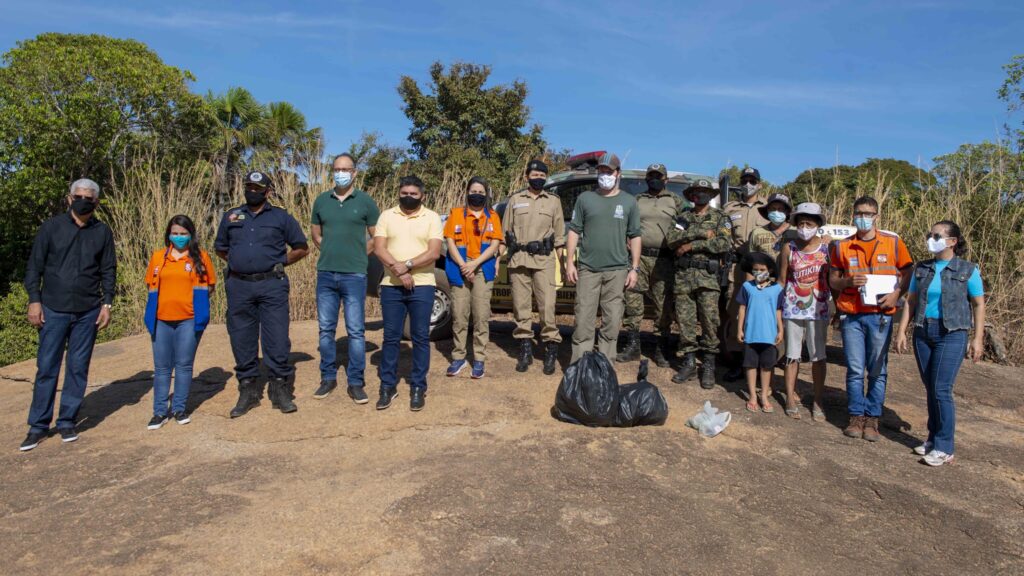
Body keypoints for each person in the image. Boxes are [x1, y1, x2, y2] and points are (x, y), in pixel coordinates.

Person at [20, 178, 116, 451]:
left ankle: (67, 421)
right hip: (53, 308)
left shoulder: (102, 232)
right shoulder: (51, 228)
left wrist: (106, 304)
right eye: (79, 196)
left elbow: (108, 270)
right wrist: (34, 301)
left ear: (96, 202)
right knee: (47, 367)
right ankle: (38, 426)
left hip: (87, 310)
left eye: (89, 197)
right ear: (69, 198)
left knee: (77, 367)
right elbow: (34, 268)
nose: (83, 201)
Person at [215, 171, 309, 418]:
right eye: (249, 186)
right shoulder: (232, 216)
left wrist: (279, 262)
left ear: (268, 191)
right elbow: (221, 249)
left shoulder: (281, 217)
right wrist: (241, 263)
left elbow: (301, 248)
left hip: (272, 285)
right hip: (239, 286)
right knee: (241, 338)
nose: (252, 191)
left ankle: (279, 388)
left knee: (277, 338)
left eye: (258, 188)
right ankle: (248, 390)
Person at [896, 220, 985, 467]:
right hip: (924, 331)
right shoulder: (922, 268)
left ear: (952, 241)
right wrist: (902, 331)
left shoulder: (967, 269)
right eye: (930, 234)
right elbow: (911, 302)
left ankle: (945, 447)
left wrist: (977, 339)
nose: (931, 238)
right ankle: (933, 439)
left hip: (952, 333)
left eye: (936, 235)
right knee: (931, 388)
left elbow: (978, 304)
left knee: (941, 389)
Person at [829, 196, 913, 442]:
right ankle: (856, 415)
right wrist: (846, 282)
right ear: (852, 215)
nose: (862, 217)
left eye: (868, 213)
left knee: (877, 370)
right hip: (852, 315)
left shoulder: (893, 243)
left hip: (881, 316)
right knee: (855, 369)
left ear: (877, 215)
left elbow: (909, 272)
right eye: (858, 213)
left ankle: (872, 418)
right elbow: (833, 279)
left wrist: (897, 294)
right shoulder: (842, 246)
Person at [310, 153, 381, 404]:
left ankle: (356, 382)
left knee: (355, 331)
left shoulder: (365, 202)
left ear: (354, 173)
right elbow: (315, 234)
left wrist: (360, 255)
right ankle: (327, 378)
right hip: (326, 274)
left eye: (345, 169)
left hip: (355, 276)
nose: (340, 173)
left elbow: (377, 236)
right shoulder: (321, 201)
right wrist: (329, 251)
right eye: (336, 169)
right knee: (326, 330)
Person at [373, 175, 443, 411]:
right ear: (399, 193)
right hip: (391, 286)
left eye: (413, 194)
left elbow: (434, 252)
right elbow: (379, 248)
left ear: (422, 195)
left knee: (420, 337)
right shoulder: (386, 215)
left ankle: (417, 387)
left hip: (423, 284)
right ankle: (387, 386)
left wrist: (408, 265)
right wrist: (399, 270)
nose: (408, 197)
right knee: (391, 337)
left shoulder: (432, 217)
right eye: (404, 193)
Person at [566, 152, 641, 363]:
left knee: (612, 320)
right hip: (588, 268)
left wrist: (634, 268)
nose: (604, 175)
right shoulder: (585, 199)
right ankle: (580, 367)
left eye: (608, 171)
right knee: (583, 320)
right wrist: (570, 261)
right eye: (601, 171)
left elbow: (635, 235)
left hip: (617, 270)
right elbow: (573, 230)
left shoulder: (629, 202)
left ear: (618, 174)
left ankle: (605, 367)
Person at [143, 215, 217, 429]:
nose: (179, 237)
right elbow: (150, 285)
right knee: (162, 367)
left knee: (184, 365)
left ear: (191, 235)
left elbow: (210, 287)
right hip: (161, 320)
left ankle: (179, 409)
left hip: (188, 319)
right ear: (168, 234)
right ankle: (159, 412)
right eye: (175, 233)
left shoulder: (201, 257)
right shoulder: (158, 258)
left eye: (183, 234)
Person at [666, 179, 733, 389]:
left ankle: (709, 366)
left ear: (710, 195)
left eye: (704, 191)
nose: (700, 195)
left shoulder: (721, 218)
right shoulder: (683, 217)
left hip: (708, 277)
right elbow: (671, 239)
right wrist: (699, 233)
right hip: (684, 276)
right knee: (685, 321)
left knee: (709, 322)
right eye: (696, 191)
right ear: (691, 195)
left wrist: (690, 245)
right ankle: (688, 363)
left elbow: (723, 243)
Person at [616, 163, 684, 367]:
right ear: (646, 179)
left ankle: (661, 347)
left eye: (658, 176)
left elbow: (685, 222)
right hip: (639, 258)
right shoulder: (637, 200)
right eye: (651, 176)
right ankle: (633, 345)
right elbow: (626, 223)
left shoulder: (675, 201)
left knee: (663, 305)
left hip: (664, 260)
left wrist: (680, 240)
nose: (654, 179)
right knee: (632, 298)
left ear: (666, 179)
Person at [503, 159, 566, 375]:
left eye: (542, 176)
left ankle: (550, 348)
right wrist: (496, 260)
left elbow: (559, 237)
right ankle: (525, 349)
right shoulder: (515, 200)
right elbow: (505, 234)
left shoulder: (553, 201)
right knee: (521, 308)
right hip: (518, 259)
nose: (538, 178)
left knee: (547, 307)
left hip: (544, 261)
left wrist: (564, 265)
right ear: (526, 176)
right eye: (534, 175)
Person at [444, 177, 503, 379]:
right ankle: (458, 357)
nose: (476, 194)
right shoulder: (456, 214)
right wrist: (464, 264)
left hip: (482, 268)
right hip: (459, 267)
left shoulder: (493, 216)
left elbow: (495, 245)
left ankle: (479, 359)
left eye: (480, 191)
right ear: (467, 192)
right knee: (459, 315)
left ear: (486, 194)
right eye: (473, 190)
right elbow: (450, 241)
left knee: (480, 316)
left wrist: (474, 264)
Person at [778, 203, 831, 421]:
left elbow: (832, 279)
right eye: (801, 223)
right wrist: (777, 309)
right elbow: (781, 280)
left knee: (819, 356)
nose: (804, 227)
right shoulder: (789, 248)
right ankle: (790, 397)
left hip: (818, 309)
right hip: (793, 308)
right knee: (792, 355)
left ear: (818, 225)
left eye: (809, 223)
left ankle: (818, 400)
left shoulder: (828, 249)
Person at [722, 167, 768, 382]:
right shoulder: (729, 208)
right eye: (745, 180)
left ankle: (760, 362)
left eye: (752, 180)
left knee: (760, 314)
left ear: (759, 184)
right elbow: (723, 235)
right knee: (735, 313)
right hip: (738, 268)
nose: (748, 184)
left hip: (763, 270)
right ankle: (738, 361)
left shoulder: (769, 208)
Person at [736, 253, 784, 413]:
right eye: (755, 270)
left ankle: (764, 395)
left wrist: (780, 329)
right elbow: (742, 309)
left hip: (769, 335)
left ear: (769, 270)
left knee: (766, 366)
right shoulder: (747, 287)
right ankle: (752, 396)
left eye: (762, 269)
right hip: (751, 334)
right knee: (750, 365)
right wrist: (739, 329)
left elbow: (778, 311)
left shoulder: (777, 289)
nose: (759, 272)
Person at [749, 192, 799, 261]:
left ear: (787, 212)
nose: (776, 212)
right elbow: (752, 260)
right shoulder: (757, 233)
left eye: (780, 209)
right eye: (773, 209)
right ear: (768, 210)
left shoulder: (796, 232)